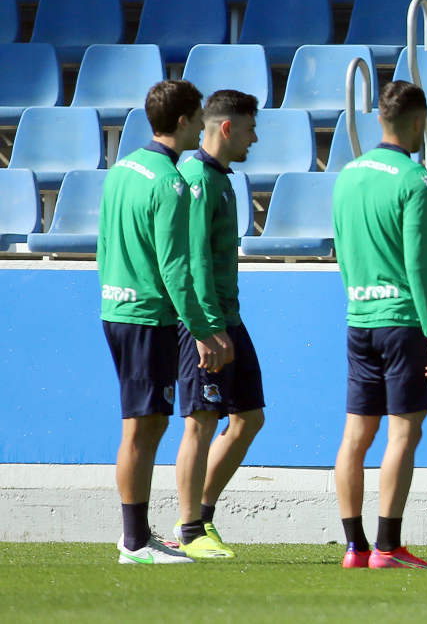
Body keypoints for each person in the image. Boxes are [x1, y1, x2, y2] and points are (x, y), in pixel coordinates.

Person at [100, 79, 233, 564]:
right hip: (146, 316)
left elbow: (105, 246)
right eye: (197, 117)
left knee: (145, 423)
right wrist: (203, 330)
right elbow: (177, 269)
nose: (202, 125)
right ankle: (134, 541)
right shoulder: (171, 183)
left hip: (116, 308)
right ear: (182, 121)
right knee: (142, 426)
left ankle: (138, 535)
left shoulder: (121, 170)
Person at [332, 81, 427, 570]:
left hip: (360, 318)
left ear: (379, 118)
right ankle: (388, 546)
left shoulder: (347, 175)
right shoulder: (415, 180)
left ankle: (354, 547)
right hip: (403, 322)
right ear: (418, 122)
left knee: (355, 436)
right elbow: (419, 266)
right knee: (403, 434)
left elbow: (342, 249)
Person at [174, 89, 265, 559]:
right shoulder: (197, 180)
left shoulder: (221, 179)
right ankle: (190, 531)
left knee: (248, 418)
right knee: (201, 421)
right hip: (207, 324)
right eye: (250, 128)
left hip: (229, 316)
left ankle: (202, 517)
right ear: (227, 128)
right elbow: (193, 263)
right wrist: (207, 329)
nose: (256, 137)